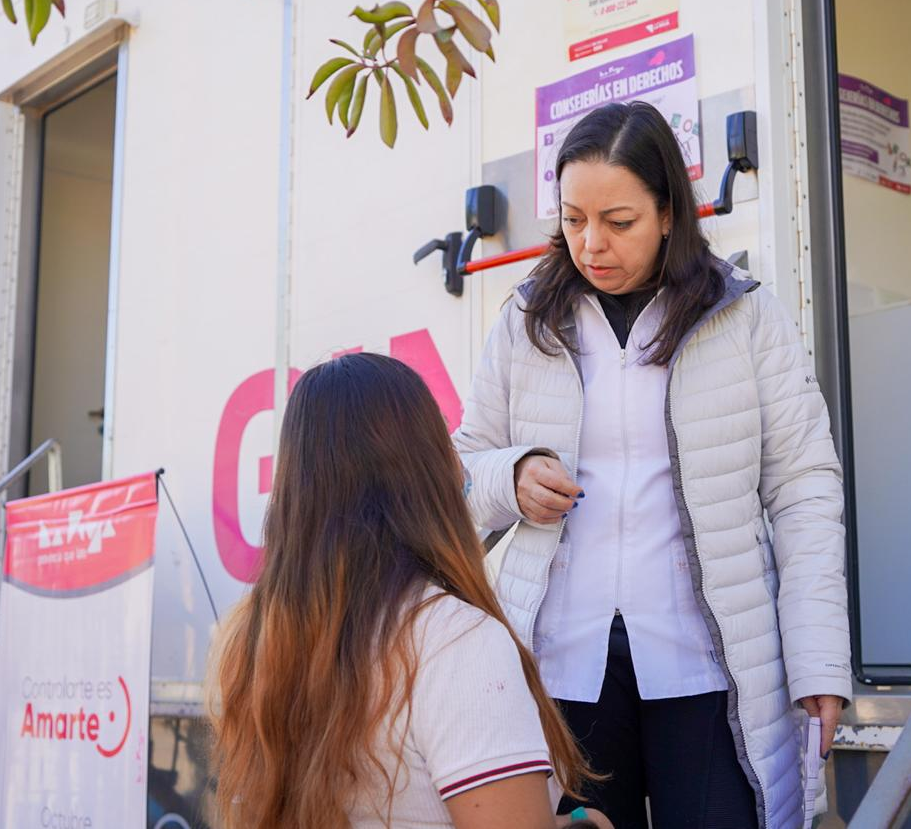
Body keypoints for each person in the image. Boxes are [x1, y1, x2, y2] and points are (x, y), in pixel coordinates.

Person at [454, 101, 852, 829]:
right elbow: (457, 470)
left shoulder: (744, 315)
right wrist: (508, 478)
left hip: (705, 660)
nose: (591, 243)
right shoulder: (524, 321)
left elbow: (804, 486)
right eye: (573, 219)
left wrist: (819, 656)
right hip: (562, 662)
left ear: (668, 212)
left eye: (619, 221)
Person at [208, 354, 611, 829]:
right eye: (443, 437)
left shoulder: (250, 636)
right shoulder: (458, 642)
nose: (458, 462)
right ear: (420, 470)